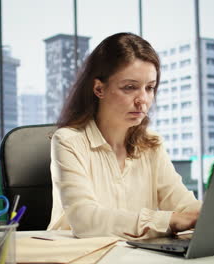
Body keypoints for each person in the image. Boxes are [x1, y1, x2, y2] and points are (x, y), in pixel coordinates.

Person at [47, 32, 201, 239]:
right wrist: (169, 220)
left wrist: (209, 215)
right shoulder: (68, 141)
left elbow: (184, 205)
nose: (143, 100)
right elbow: (85, 220)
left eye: (150, 88)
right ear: (99, 88)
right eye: (130, 88)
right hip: (79, 256)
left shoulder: (152, 144)